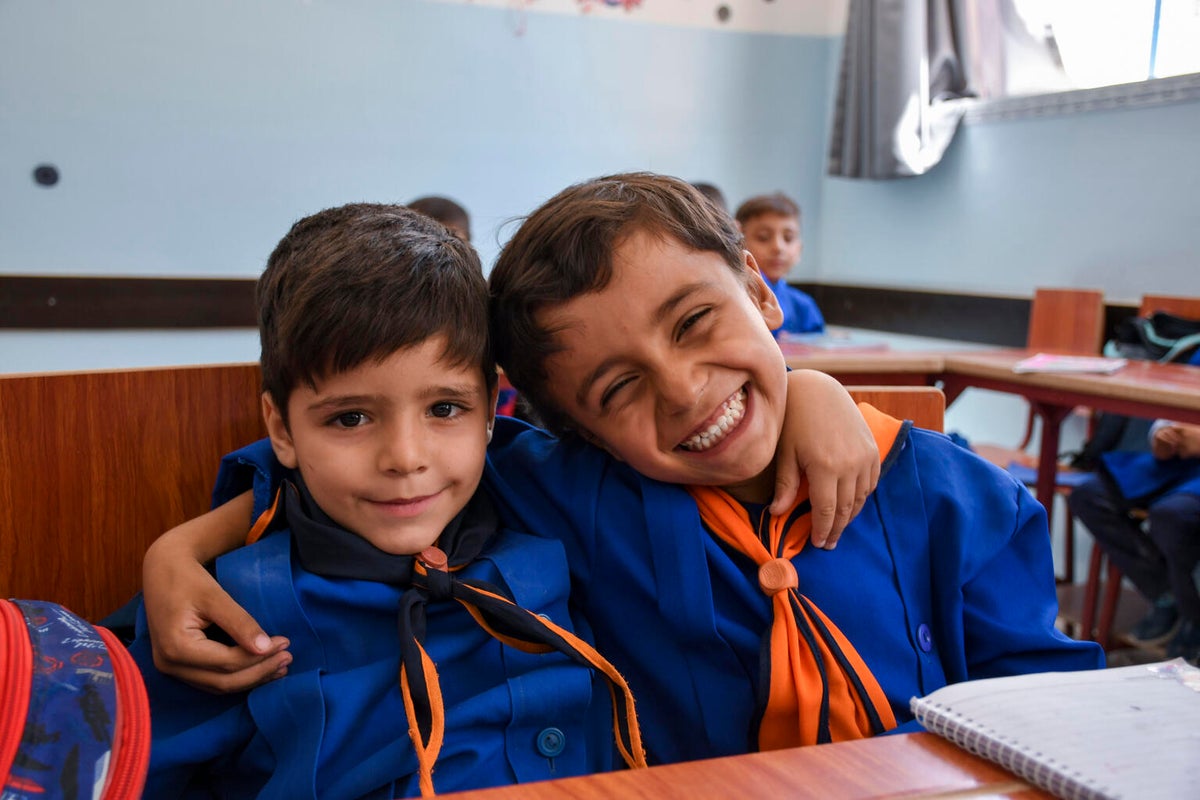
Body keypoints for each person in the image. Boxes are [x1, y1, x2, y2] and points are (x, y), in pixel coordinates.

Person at [143, 173, 1101, 768]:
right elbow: (372, 472)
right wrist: (187, 546)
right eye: (618, 388)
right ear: (576, 429)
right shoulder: (572, 490)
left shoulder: (942, 488)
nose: (683, 393)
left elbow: (1049, 710)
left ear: (764, 293)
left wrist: (816, 386)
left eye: (696, 324)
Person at [127, 204, 649, 798]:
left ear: (489, 409)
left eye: (445, 409)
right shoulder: (228, 612)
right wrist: (176, 552)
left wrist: (784, 390)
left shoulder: (542, 496)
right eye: (350, 418)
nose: (404, 457)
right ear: (281, 429)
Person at [1068, 419, 1200, 663]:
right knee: (1088, 497)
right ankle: (1167, 592)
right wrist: (1163, 434)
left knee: (1172, 516)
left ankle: (1193, 614)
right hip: (1179, 464)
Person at [734, 192, 824, 337]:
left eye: (788, 238)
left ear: (799, 249)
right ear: (739, 245)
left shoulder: (803, 305)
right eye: (763, 238)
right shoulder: (736, 300)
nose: (778, 247)